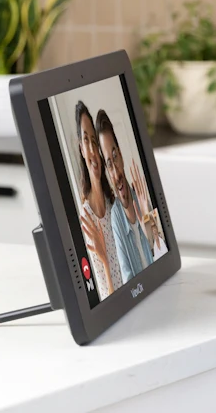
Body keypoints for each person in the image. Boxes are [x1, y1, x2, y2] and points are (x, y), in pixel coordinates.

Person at [95, 109, 162, 281]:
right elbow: (128, 278)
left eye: (115, 156)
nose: (116, 172)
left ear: (122, 156)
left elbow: (163, 255)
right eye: (109, 164)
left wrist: (148, 217)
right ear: (107, 172)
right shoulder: (116, 217)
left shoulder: (141, 197)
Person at [74, 101, 123, 298]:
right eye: (87, 141)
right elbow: (107, 297)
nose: (93, 150)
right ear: (81, 149)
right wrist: (103, 257)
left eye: (95, 141)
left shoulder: (113, 201)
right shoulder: (87, 218)